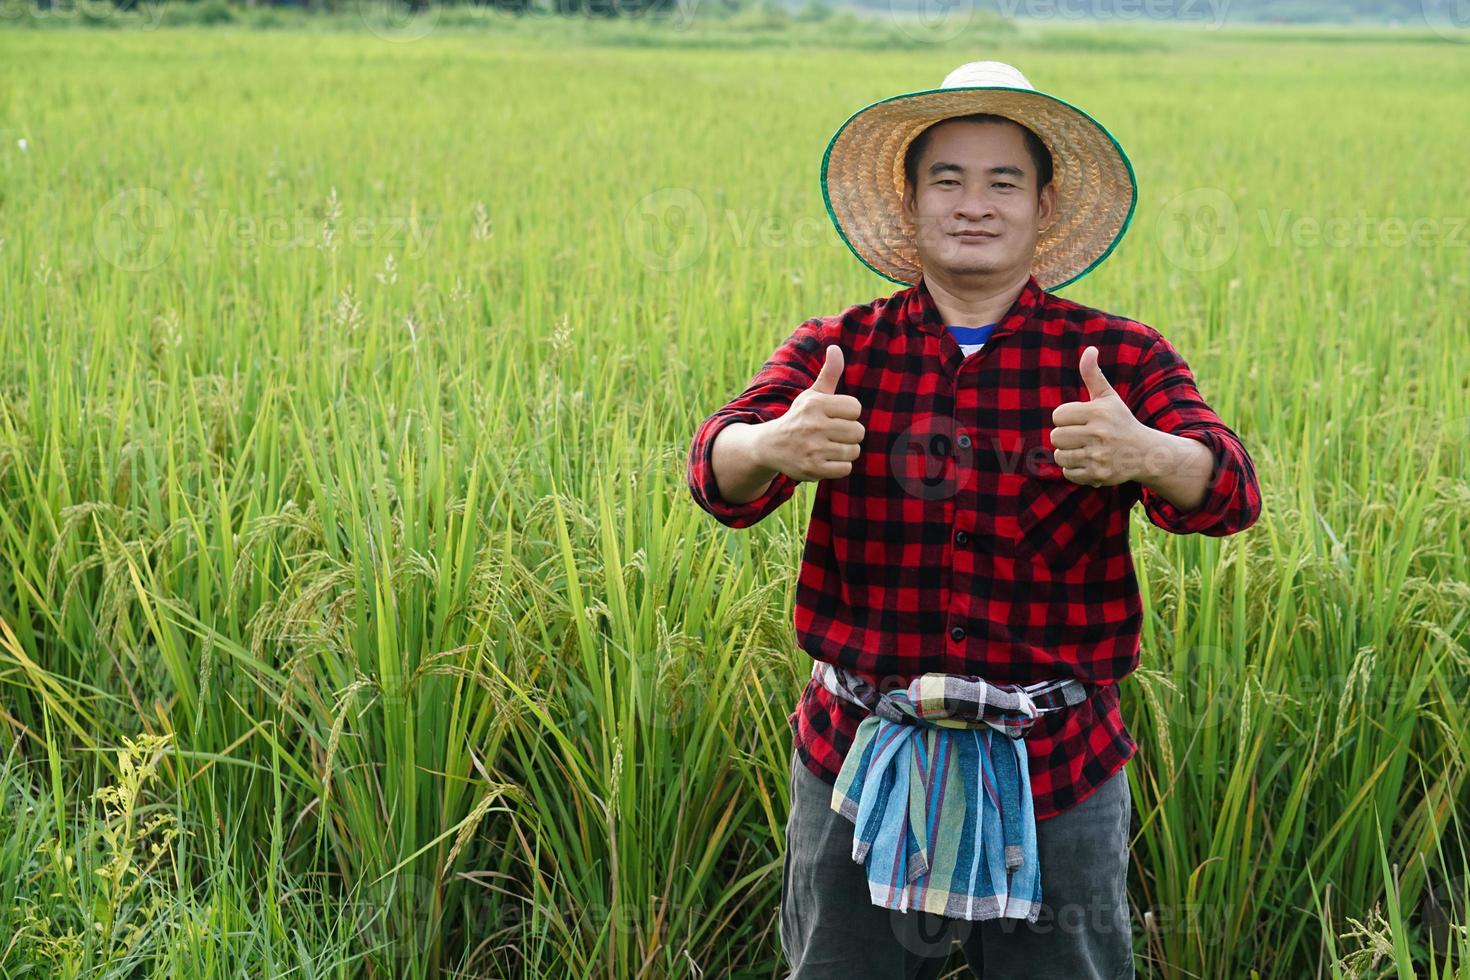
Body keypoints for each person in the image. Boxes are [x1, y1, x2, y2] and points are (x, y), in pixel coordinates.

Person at [686, 60, 1263, 979]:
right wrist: (772, 445)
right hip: (858, 756)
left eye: (1004, 181)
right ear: (910, 204)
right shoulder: (839, 350)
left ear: (1044, 205)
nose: (974, 203)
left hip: (1057, 765)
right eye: (946, 179)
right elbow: (714, 468)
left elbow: (1232, 489)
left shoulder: (1115, 357)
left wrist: (1150, 454)